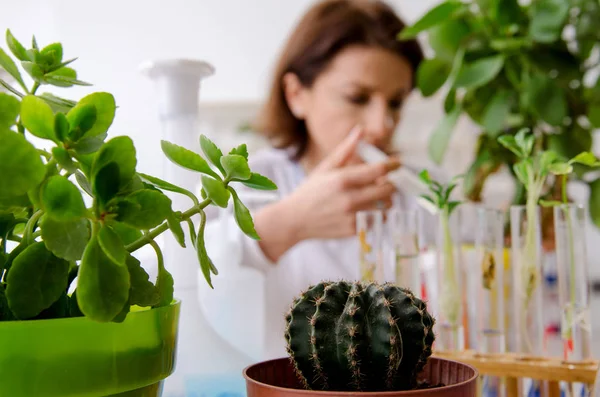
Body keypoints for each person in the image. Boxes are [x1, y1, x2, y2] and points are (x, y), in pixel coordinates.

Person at [203, 0, 426, 360]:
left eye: (396, 103)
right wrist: (287, 223)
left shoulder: (417, 196)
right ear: (296, 95)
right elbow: (172, 281)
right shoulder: (246, 185)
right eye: (358, 97)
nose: (382, 124)